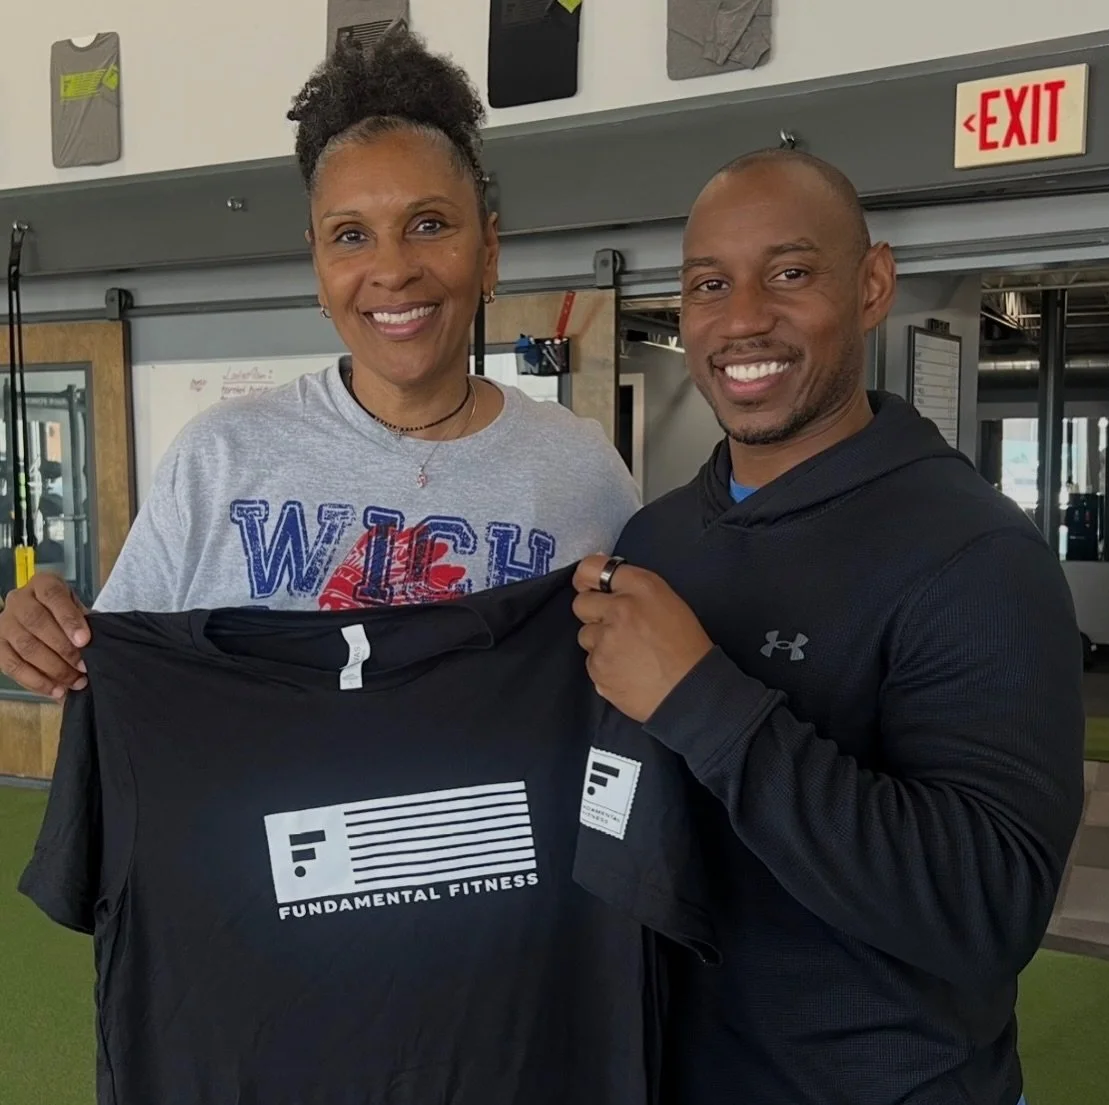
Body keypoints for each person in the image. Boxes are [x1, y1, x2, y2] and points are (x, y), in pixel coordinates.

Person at [573, 150, 1084, 1105]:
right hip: (681, 1101)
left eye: (791, 272)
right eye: (709, 285)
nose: (744, 317)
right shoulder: (658, 539)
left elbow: (988, 909)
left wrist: (700, 698)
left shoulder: (978, 554)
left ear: (873, 286)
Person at [0, 29, 638, 692]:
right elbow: (110, 672)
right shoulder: (219, 459)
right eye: (351, 235)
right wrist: (45, 630)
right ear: (318, 266)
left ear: (489, 249)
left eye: (429, 224)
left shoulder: (581, 471)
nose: (391, 270)